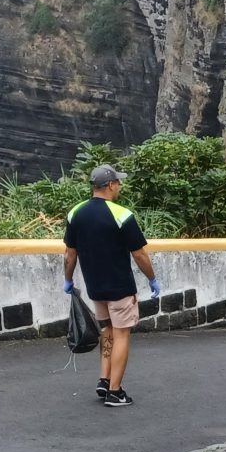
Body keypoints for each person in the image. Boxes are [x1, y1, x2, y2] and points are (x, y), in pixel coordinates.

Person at [64, 164, 158, 408]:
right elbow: (139, 255)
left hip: (96, 288)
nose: (120, 186)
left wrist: (68, 279)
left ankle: (104, 380)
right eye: (118, 182)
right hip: (119, 287)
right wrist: (151, 278)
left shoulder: (76, 213)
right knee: (122, 334)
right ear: (110, 185)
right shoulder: (121, 215)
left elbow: (69, 254)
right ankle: (115, 392)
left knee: (107, 330)